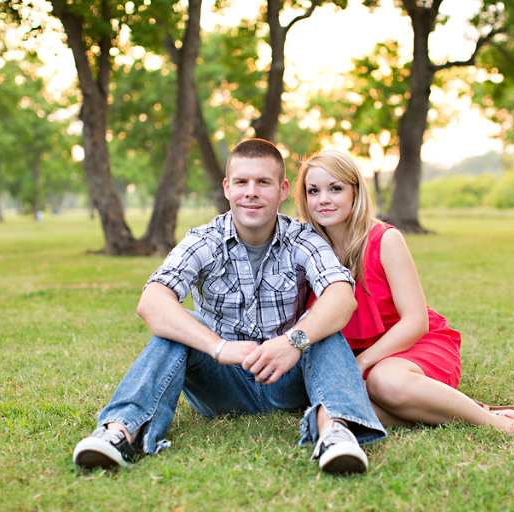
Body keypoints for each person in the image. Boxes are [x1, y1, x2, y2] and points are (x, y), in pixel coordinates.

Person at [73, 139, 386, 474]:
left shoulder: (303, 239)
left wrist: (292, 341)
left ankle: (335, 433)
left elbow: (341, 295)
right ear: (227, 188)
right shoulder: (203, 240)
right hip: (220, 383)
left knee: (321, 326)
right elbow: (152, 301)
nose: (251, 192)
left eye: (263, 182)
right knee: (175, 330)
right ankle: (118, 433)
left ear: (282, 190)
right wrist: (219, 348)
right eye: (242, 182)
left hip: (287, 376)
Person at [294, 149, 514, 436]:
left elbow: (416, 322)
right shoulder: (307, 250)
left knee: (384, 381)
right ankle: (464, 409)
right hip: (355, 358)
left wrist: (362, 363)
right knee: (335, 409)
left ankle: (500, 424)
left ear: (356, 192)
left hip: (411, 347)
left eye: (336, 188)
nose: (323, 199)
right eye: (313, 191)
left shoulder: (385, 239)